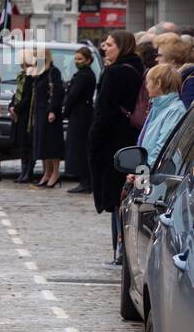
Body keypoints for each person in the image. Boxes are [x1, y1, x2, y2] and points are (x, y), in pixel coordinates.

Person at [89, 31, 145, 264]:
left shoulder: (115, 72)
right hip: (131, 136)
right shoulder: (137, 68)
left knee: (116, 196)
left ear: (121, 47)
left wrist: (93, 138)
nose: (105, 47)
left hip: (113, 141)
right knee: (123, 194)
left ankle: (119, 250)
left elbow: (104, 110)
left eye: (110, 44)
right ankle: (121, 249)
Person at [64, 47, 96, 194]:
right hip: (79, 113)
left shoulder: (84, 75)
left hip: (81, 115)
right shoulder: (82, 74)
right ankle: (84, 181)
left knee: (80, 149)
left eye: (80, 59)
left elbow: (73, 95)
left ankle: (85, 181)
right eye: (76, 59)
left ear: (88, 60)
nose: (77, 62)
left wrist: (66, 110)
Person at [31, 49, 65, 188]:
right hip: (39, 112)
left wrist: (52, 110)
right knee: (43, 144)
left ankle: (55, 173)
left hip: (49, 112)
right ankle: (47, 172)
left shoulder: (53, 72)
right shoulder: (39, 72)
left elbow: (57, 91)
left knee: (52, 144)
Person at [138, 63, 187, 159]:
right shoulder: (157, 107)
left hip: (158, 171)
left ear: (158, 84)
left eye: (148, 82)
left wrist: (144, 171)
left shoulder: (175, 110)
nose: (146, 86)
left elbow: (162, 148)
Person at [9, 54, 36, 184]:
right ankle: (23, 170)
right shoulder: (21, 76)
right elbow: (17, 94)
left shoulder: (31, 77)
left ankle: (28, 172)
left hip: (27, 115)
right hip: (18, 114)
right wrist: (11, 106)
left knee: (27, 144)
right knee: (21, 144)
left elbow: (28, 97)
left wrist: (16, 109)